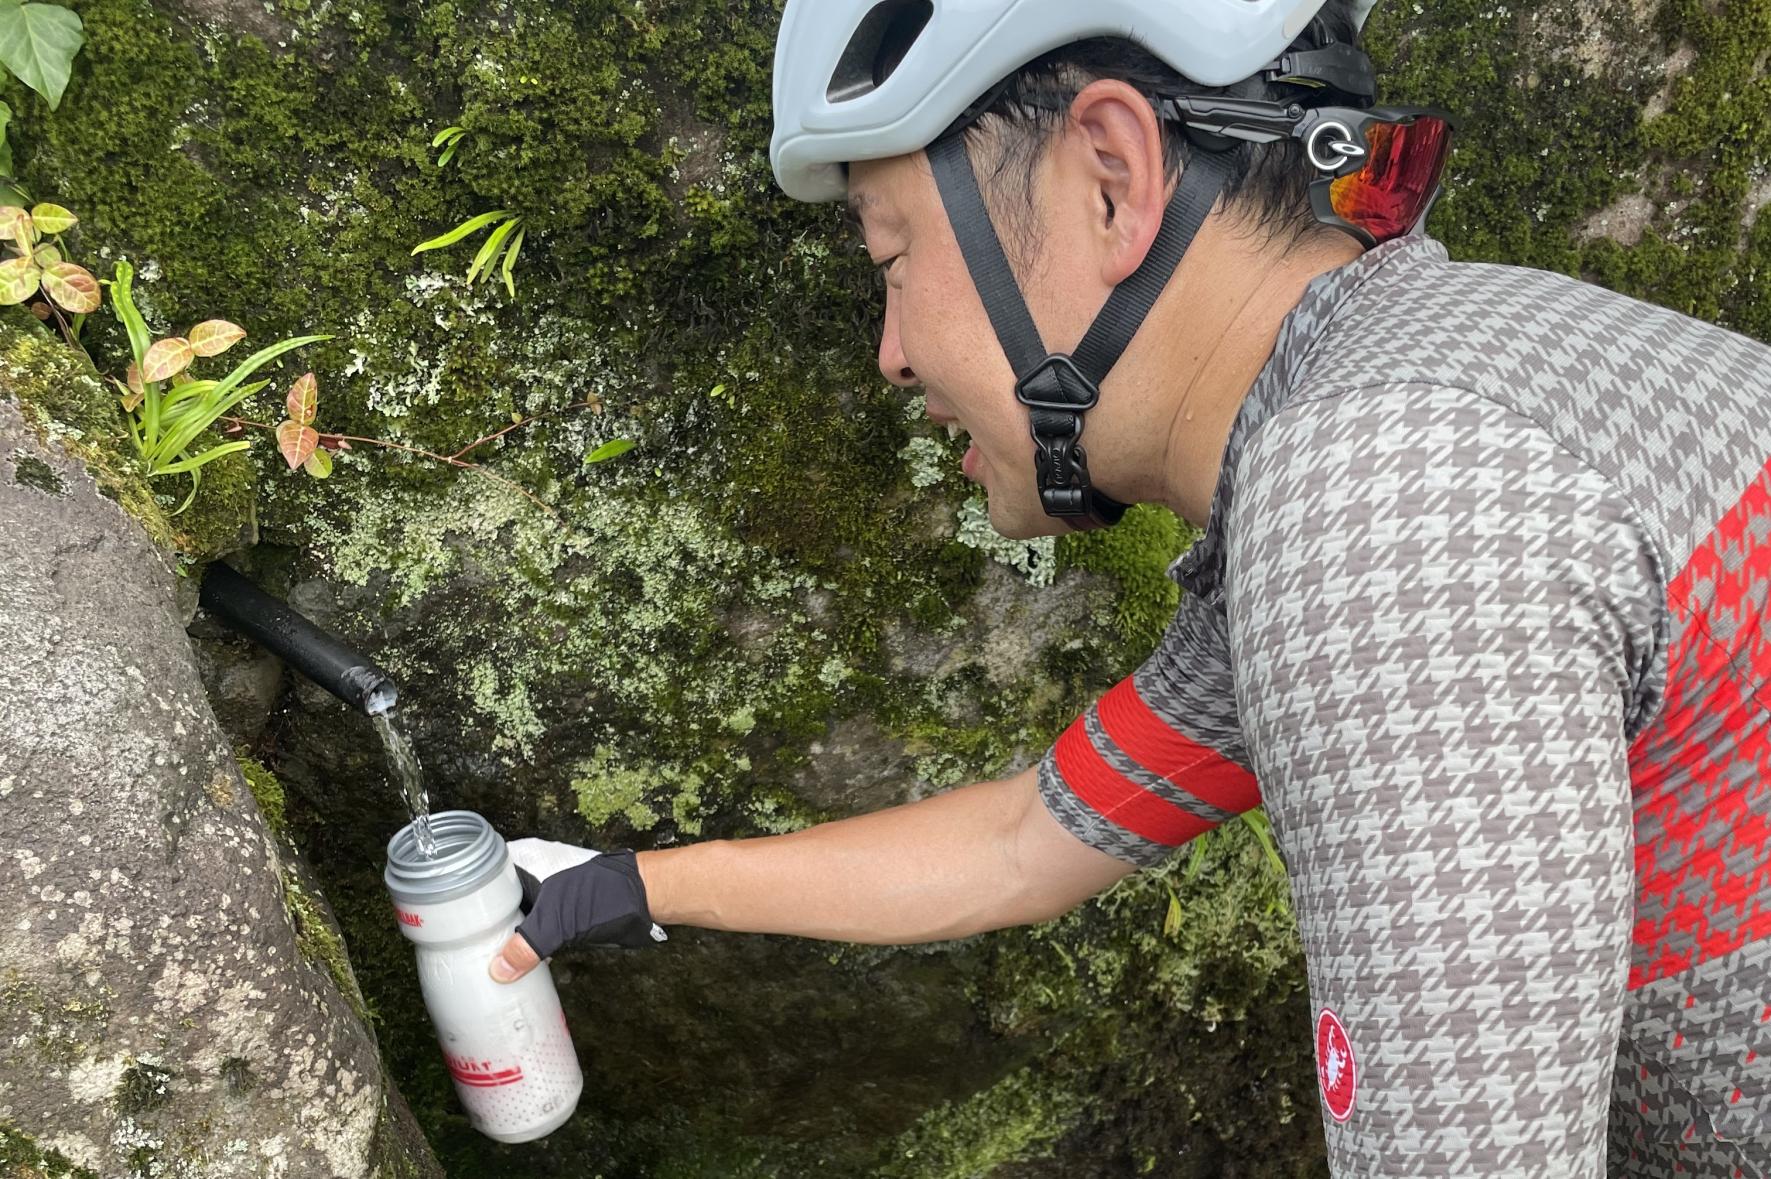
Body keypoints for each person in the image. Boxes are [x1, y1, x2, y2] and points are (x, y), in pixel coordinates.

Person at [491, 0, 1771, 1173]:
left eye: (888, 259)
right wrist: (633, 884)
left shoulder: (1382, 497)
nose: (888, 356)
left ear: (1110, 179)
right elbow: (1022, 844)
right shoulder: (1405, 398)